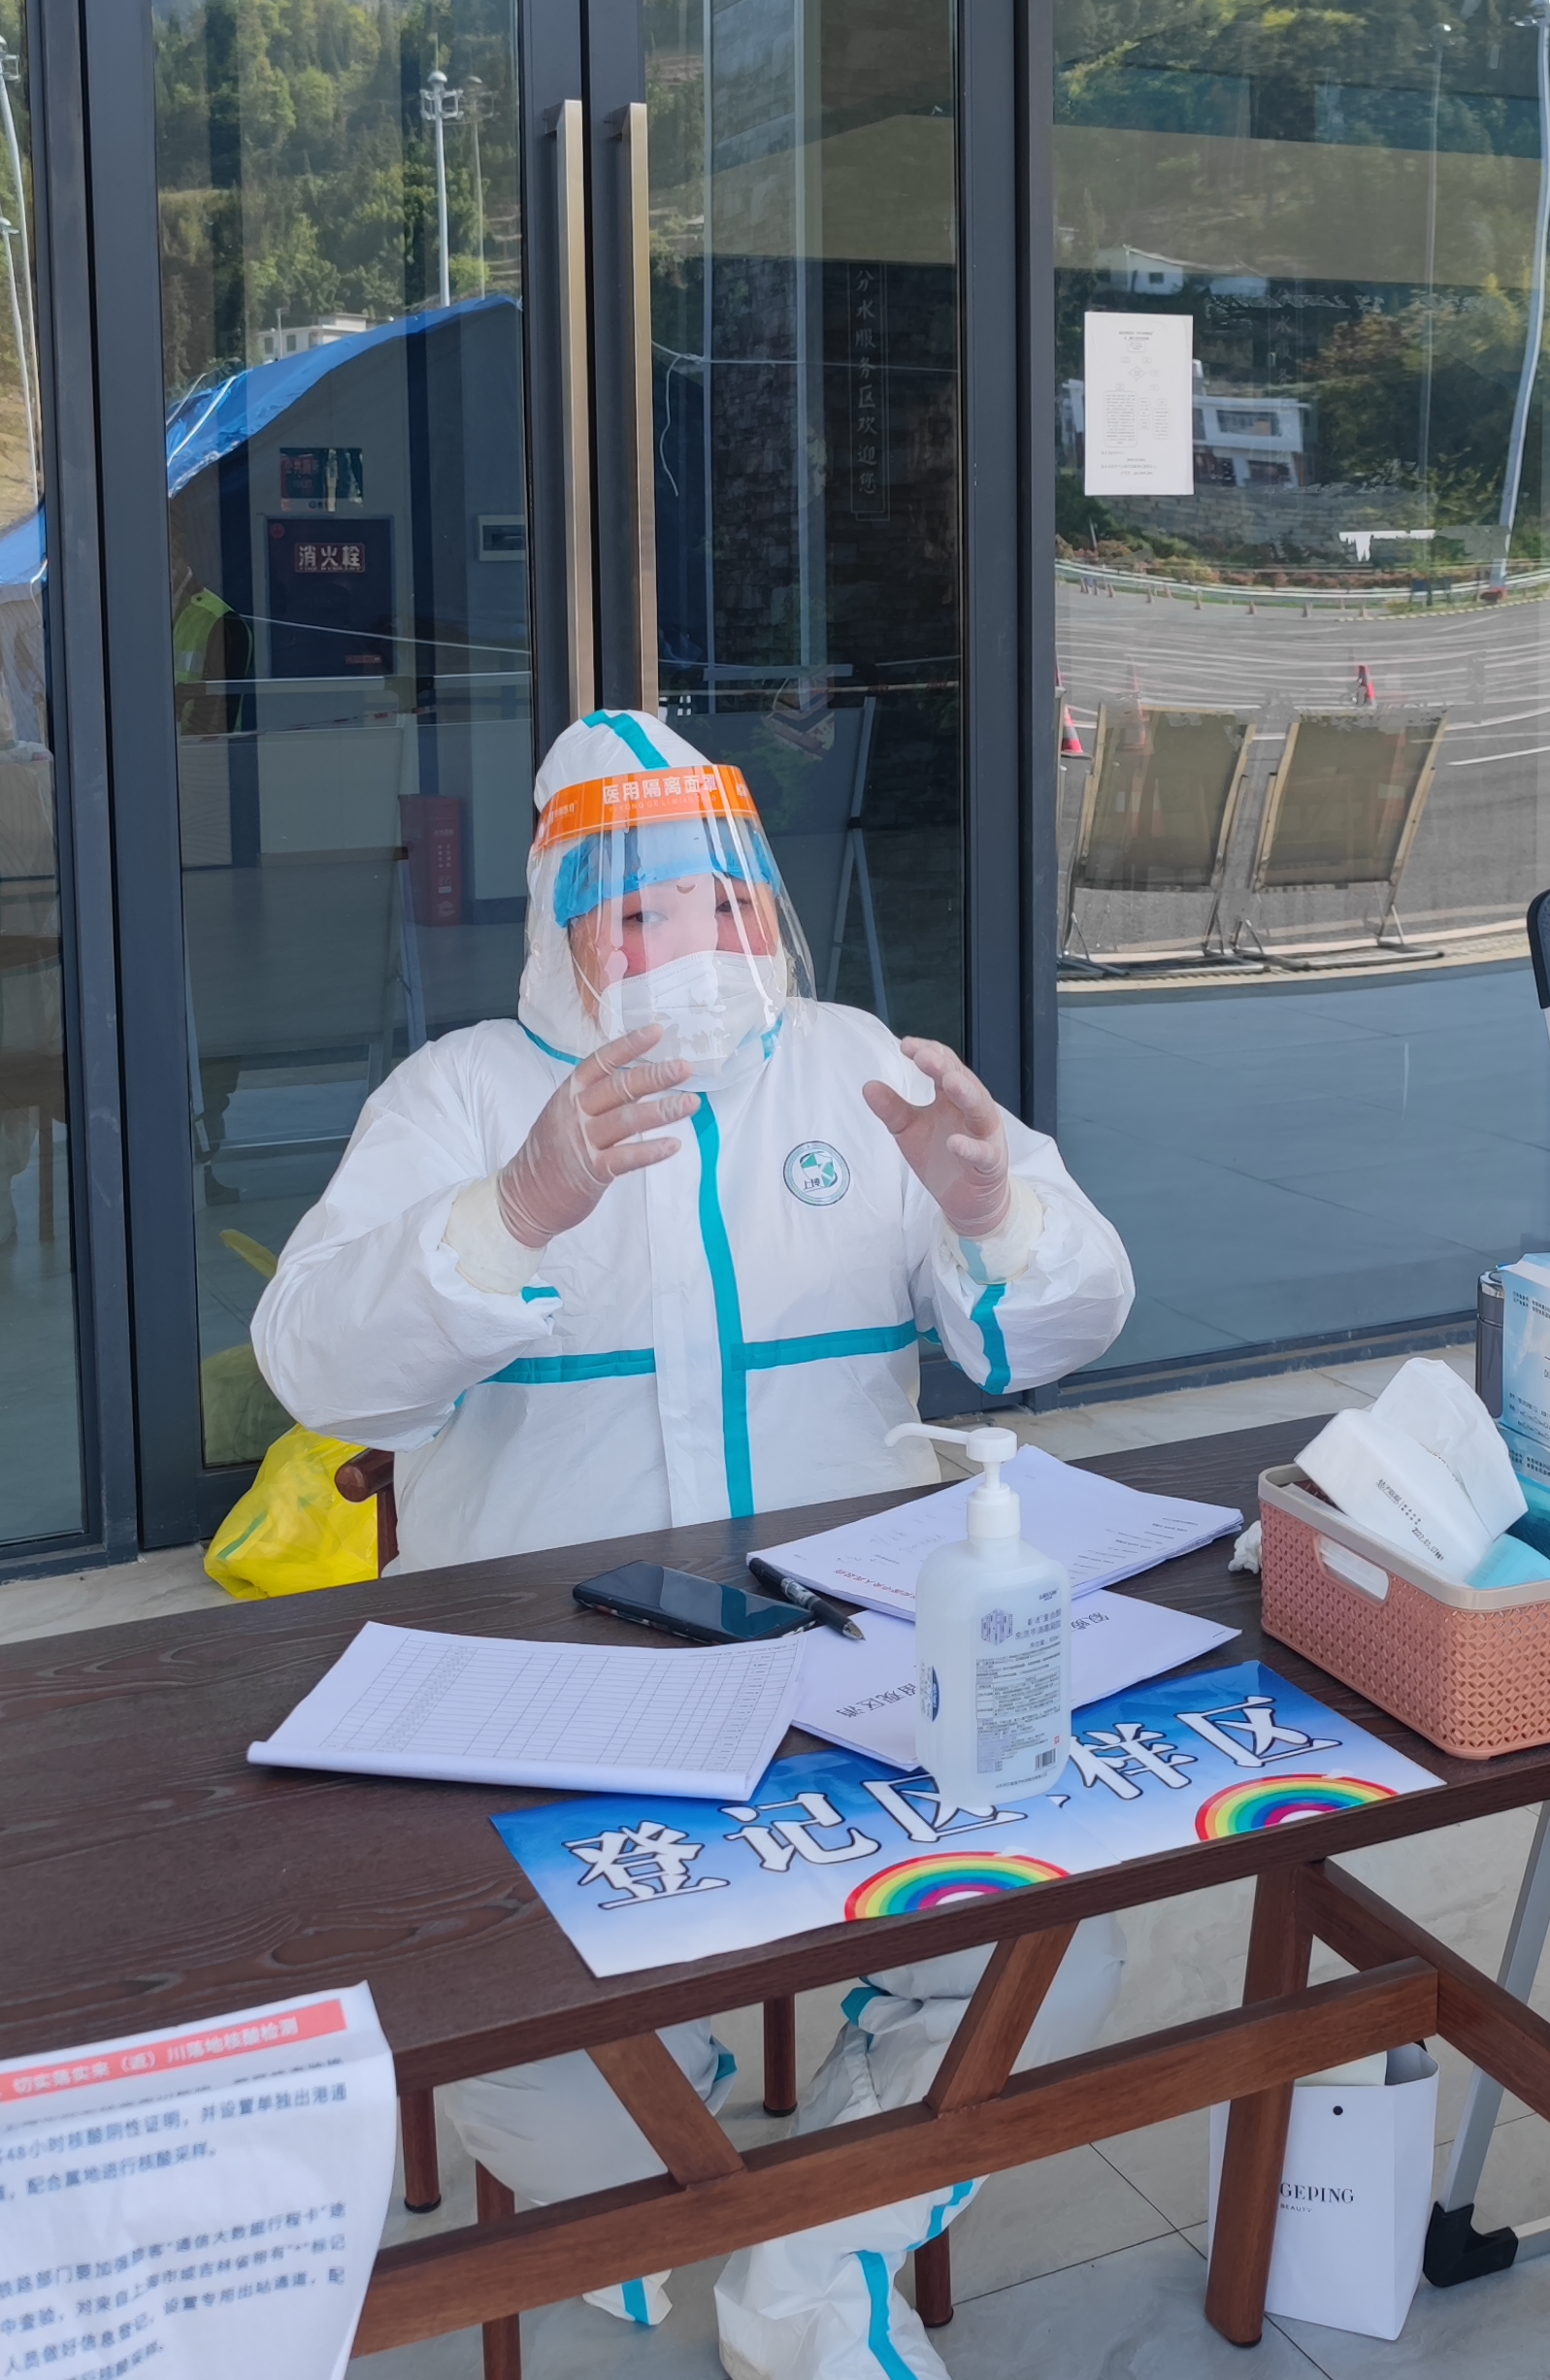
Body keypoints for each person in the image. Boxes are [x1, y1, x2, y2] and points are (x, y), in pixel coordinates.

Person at [253, 707, 1138, 2380]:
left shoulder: (860, 1067)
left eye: (729, 902)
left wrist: (988, 1206)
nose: (701, 945)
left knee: (1061, 1956)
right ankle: (750, 2189)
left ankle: (789, 2249)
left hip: (864, 1668)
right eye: (645, 911)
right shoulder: (458, 1099)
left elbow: (1054, 1328)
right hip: (544, 1689)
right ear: (565, 931)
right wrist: (513, 1211)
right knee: (499, 2045)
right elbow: (320, 1370)